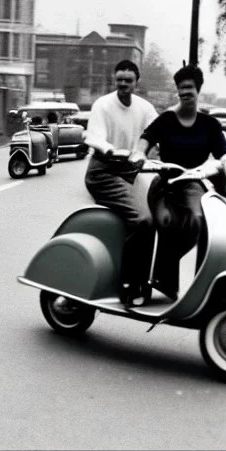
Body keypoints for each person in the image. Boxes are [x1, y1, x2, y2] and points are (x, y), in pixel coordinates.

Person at [135, 63, 226, 300]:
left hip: (192, 183)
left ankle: (168, 277)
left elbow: (224, 153)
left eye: (189, 87)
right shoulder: (167, 119)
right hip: (166, 183)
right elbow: (145, 139)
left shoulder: (209, 124)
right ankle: (162, 280)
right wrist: (138, 154)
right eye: (181, 88)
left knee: (198, 222)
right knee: (165, 221)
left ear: (198, 90)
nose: (185, 92)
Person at [83, 59, 159, 306]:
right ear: (114, 81)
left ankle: (142, 281)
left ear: (137, 82)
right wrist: (110, 149)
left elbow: (158, 134)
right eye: (119, 80)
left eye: (128, 80)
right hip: (103, 173)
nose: (123, 85)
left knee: (153, 219)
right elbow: (95, 137)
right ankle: (126, 282)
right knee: (142, 220)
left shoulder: (145, 108)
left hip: (129, 173)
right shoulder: (103, 105)